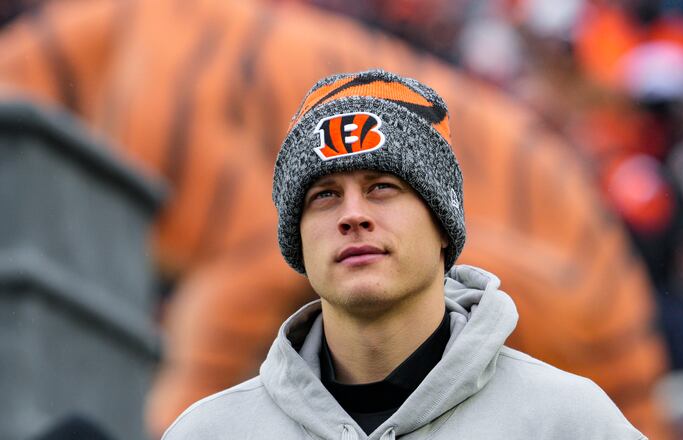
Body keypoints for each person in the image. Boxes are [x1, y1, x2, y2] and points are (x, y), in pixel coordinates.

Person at [162, 69, 645, 439]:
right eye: (324, 195)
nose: (352, 215)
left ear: (442, 223)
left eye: (382, 187)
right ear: (297, 240)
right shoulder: (211, 431)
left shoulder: (565, 422)